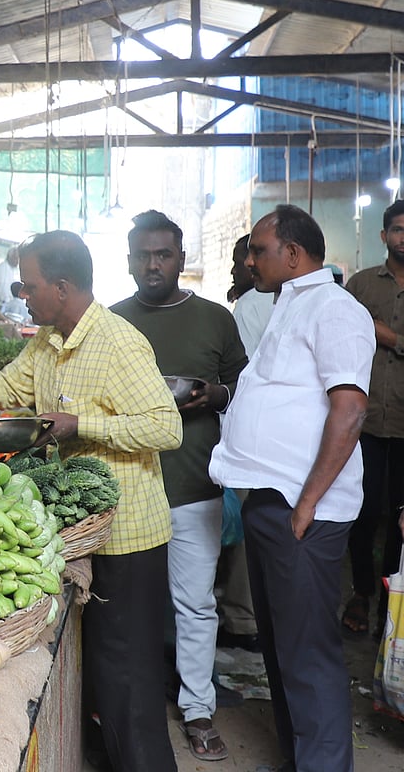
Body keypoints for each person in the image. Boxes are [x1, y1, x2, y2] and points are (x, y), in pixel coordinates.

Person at [0, 230, 182, 771]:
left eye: (28, 285)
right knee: (106, 674)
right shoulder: (48, 340)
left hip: (129, 535)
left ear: (61, 287)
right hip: (86, 529)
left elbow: (165, 426)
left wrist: (83, 424)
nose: (22, 294)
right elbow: (11, 388)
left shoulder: (118, 342)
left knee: (129, 678)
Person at [209, 204, 374, 772]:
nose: (250, 259)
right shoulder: (287, 304)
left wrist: (306, 505)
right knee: (282, 648)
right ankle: (303, 757)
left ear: (294, 254)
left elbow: (349, 412)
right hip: (273, 501)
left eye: (259, 250)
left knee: (307, 652)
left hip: (305, 509)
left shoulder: (335, 309)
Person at [111, 210, 247, 763]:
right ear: (128, 261)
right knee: (129, 609)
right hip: (127, 489)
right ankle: (130, 710)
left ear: (181, 261)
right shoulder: (110, 322)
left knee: (194, 606)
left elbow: (242, 385)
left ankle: (197, 709)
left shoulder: (215, 319)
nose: (152, 264)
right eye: (143, 254)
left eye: (163, 254)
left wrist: (216, 397)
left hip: (193, 487)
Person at [340, 199, 404, 638]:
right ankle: (362, 592)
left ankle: (392, 597)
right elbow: (338, 330)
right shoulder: (361, 286)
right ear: (383, 236)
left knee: (400, 516)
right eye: (397, 229)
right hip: (360, 422)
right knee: (360, 511)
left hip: (403, 425)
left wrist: (389, 335)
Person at [215, 234, 266, 654]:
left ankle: (241, 617)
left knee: (245, 526)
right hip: (276, 440)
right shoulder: (268, 303)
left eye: (243, 259)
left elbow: (241, 380)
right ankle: (249, 615)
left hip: (253, 435)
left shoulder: (249, 306)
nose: (238, 268)